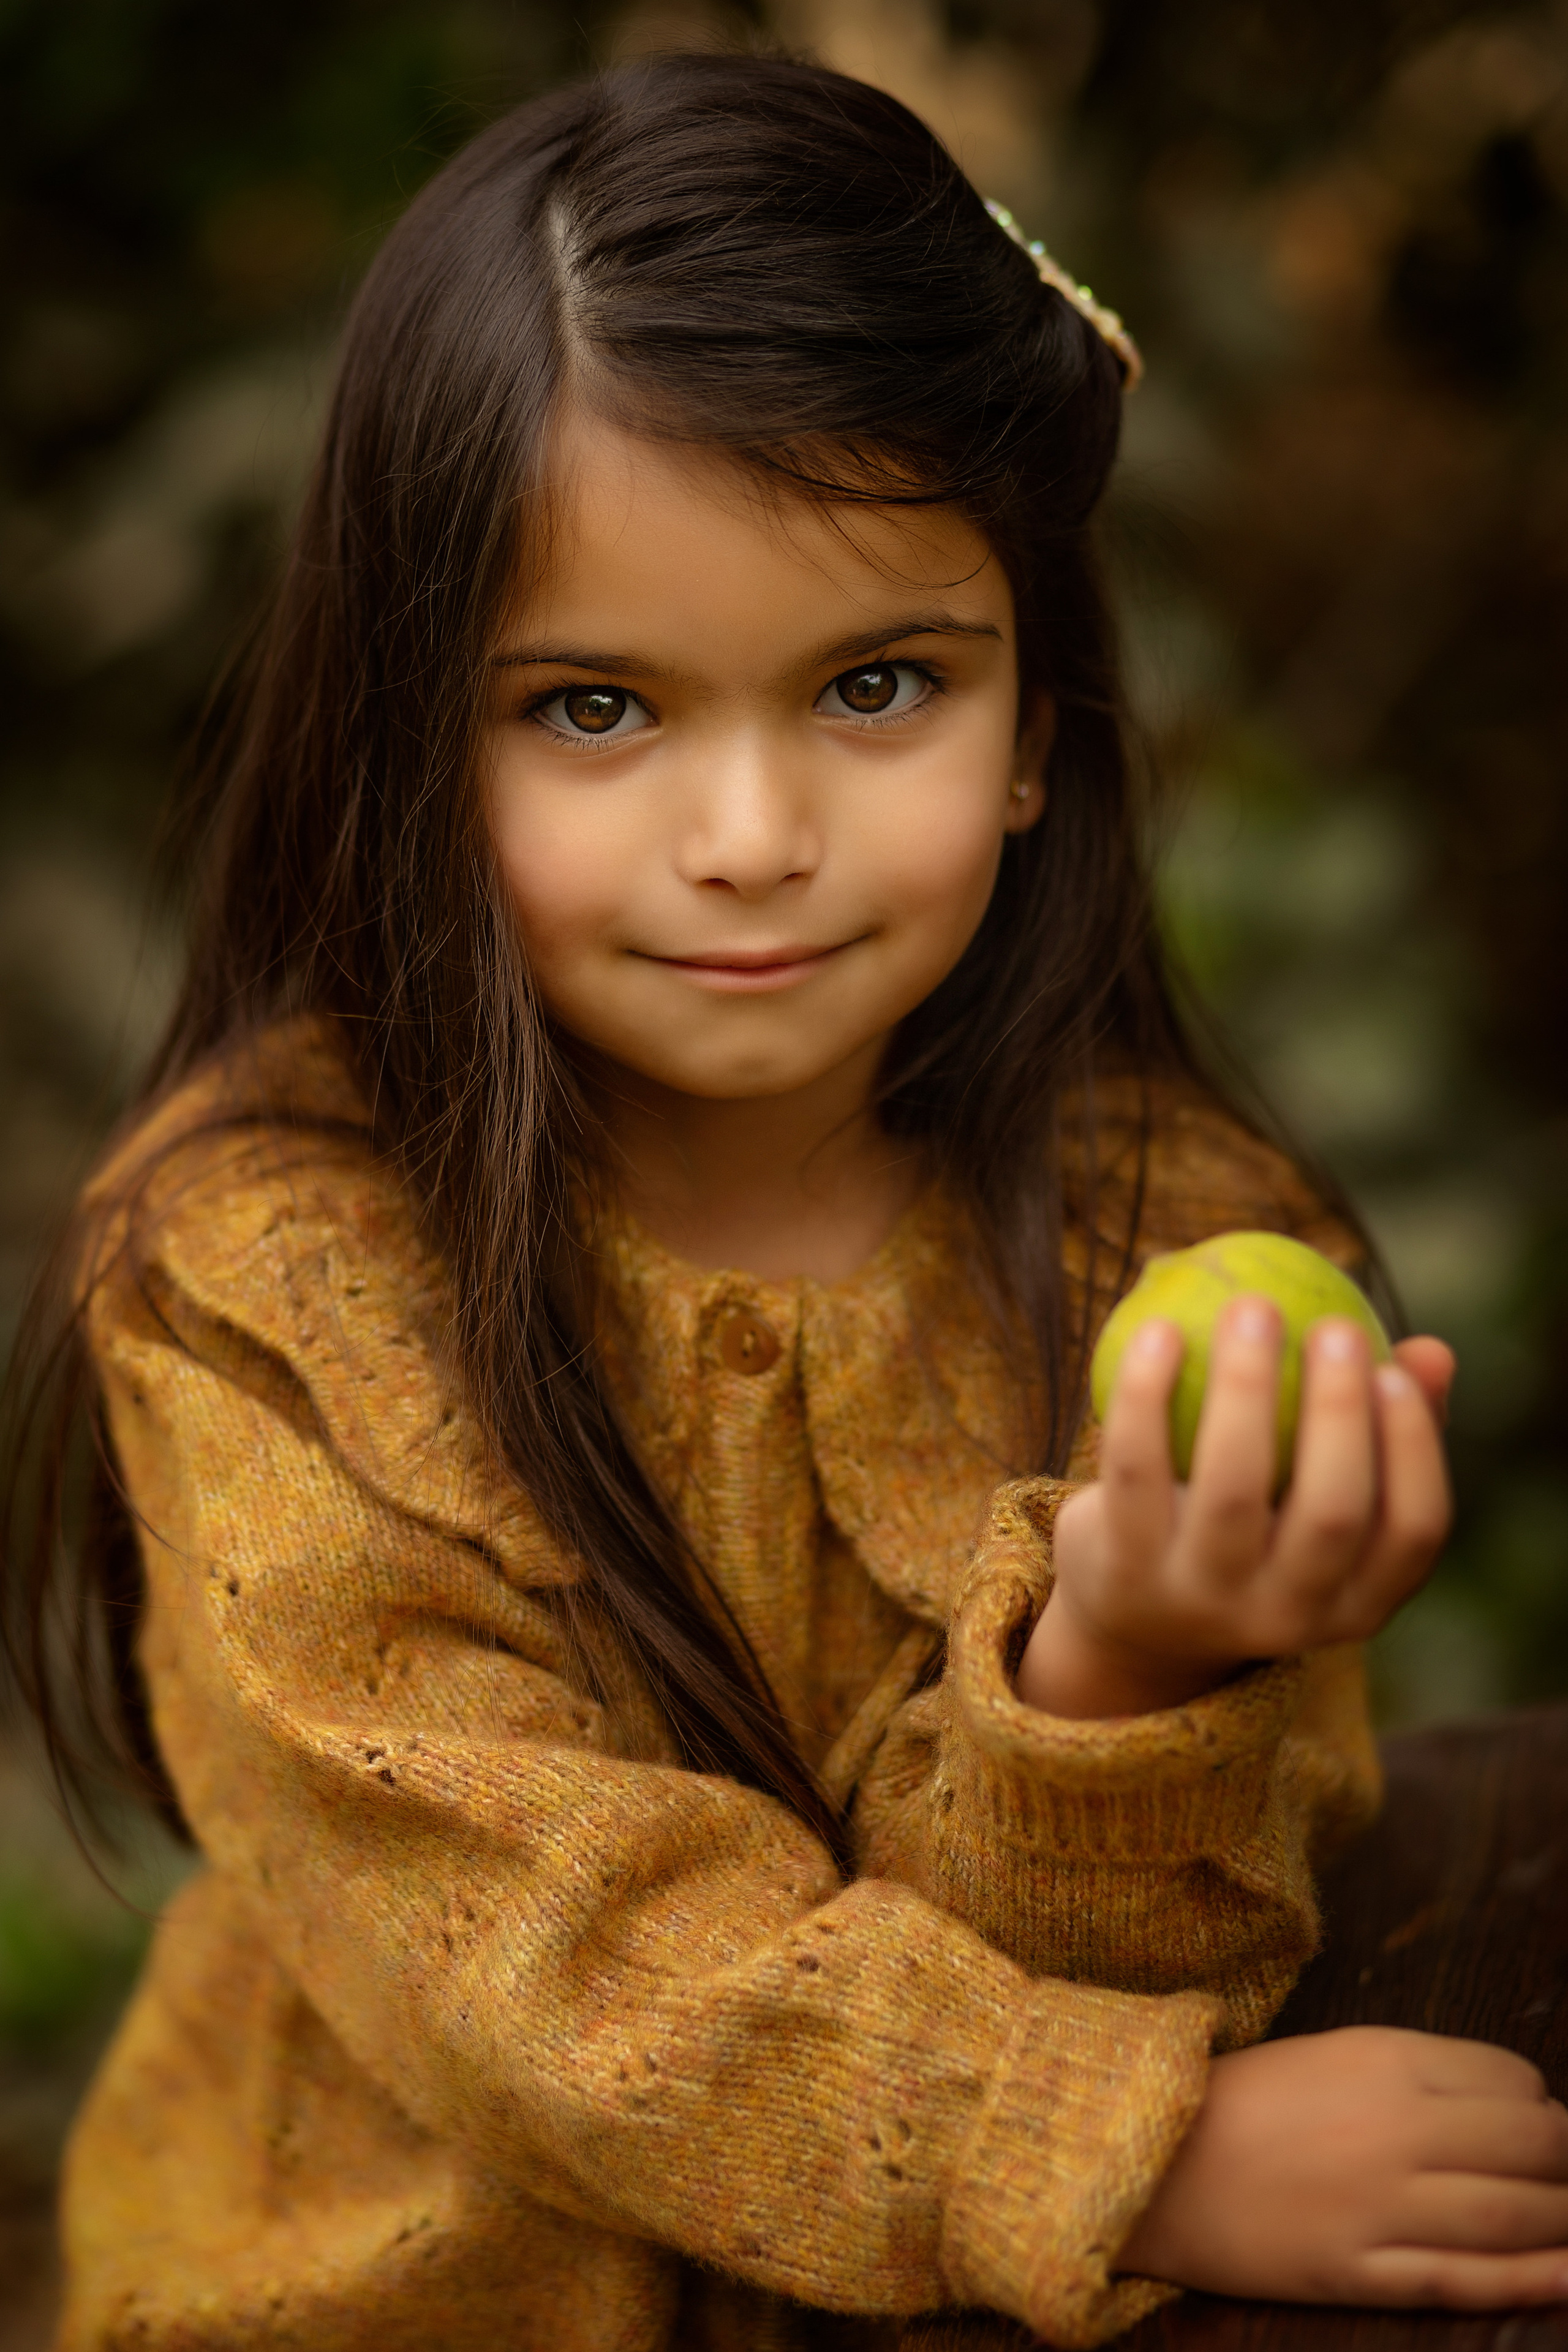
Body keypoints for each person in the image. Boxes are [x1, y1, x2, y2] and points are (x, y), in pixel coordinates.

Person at [7, 48, 1567, 2352]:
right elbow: (538, 1969)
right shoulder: (274, 1282)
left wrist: (1127, 1663)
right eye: (594, 711)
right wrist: (1123, 2146)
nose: (750, 836)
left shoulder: (1171, 1230)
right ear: (409, 743)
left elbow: (1204, 1933)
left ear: (1033, 723)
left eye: (874, 684)